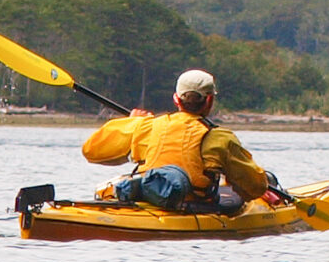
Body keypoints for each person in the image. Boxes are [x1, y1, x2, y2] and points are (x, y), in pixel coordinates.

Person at [80, 69, 281, 211]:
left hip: (153, 196)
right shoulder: (220, 138)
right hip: (195, 205)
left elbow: (91, 151)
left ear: (176, 99)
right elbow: (256, 187)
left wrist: (130, 123)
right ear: (210, 100)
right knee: (261, 184)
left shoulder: (146, 126)